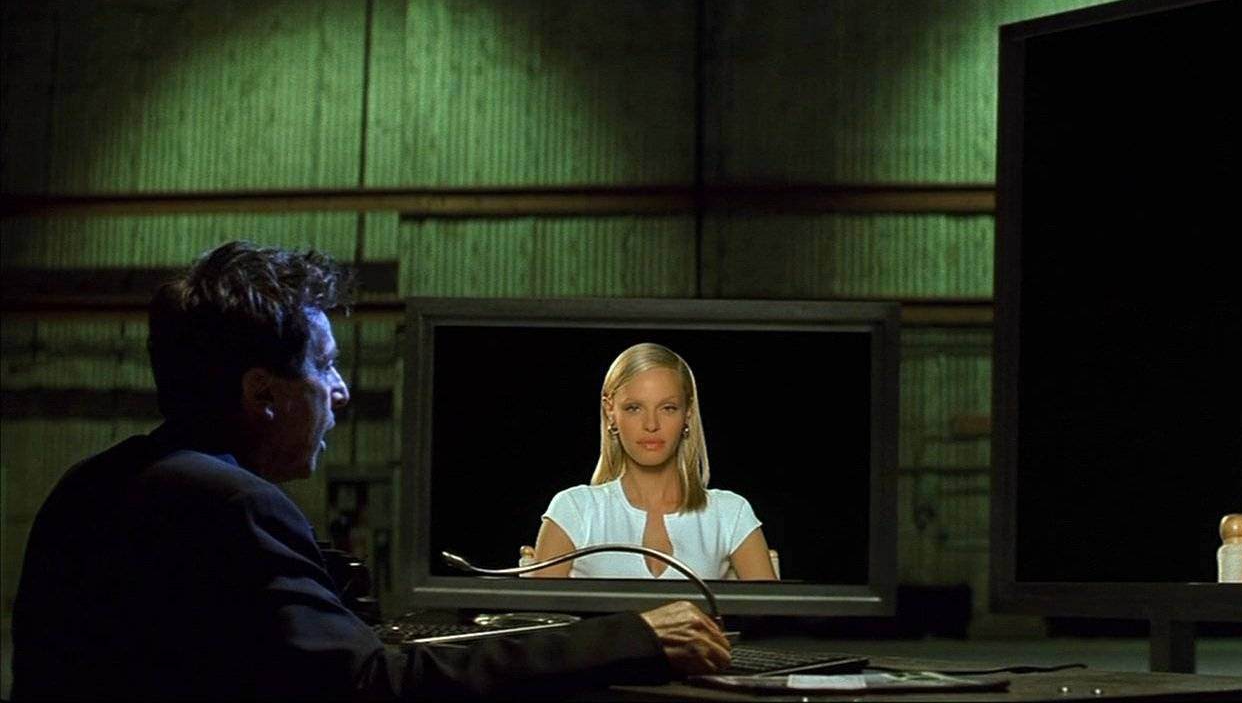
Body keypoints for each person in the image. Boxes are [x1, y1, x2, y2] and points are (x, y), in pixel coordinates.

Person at [9, 241, 731, 701]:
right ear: (262, 394)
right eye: (324, 366)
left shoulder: (91, 484)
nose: (341, 391)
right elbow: (368, 685)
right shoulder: (233, 504)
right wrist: (633, 638)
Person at [528, 343, 777, 580]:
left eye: (668, 408)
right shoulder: (575, 509)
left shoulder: (730, 513)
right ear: (610, 411)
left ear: (688, 412)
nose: (651, 425)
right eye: (634, 408)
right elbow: (540, 611)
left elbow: (770, 610)